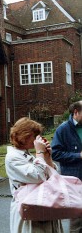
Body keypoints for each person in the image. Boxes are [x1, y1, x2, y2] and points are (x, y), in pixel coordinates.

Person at [5, 117, 63, 233]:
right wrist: (40, 153)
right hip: (28, 211)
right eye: (35, 135)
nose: (38, 138)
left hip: (44, 206)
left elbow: (54, 178)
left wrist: (47, 157)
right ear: (24, 136)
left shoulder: (28, 155)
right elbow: (37, 176)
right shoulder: (13, 158)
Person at [52, 100, 82, 233]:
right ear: (76, 112)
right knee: (77, 221)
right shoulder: (63, 129)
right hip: (74, 182)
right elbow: (56, 154)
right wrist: (78, 156)